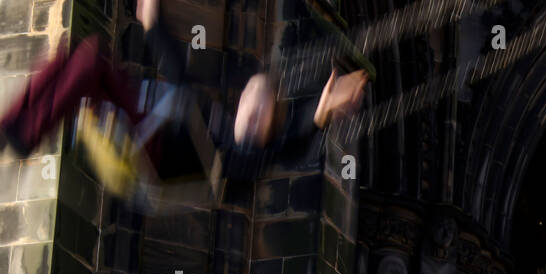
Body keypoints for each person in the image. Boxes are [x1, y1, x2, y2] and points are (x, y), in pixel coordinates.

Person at [0, 0, 367, 186]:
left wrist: (319, 116)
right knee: (83, 53)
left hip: (144, 145)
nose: (253, 112)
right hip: (130, 114)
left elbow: (290, 151)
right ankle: (13, 124)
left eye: (262, 114)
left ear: (269, 130)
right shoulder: (207, 114)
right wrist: (152, 21)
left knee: (89, 64)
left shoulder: (237, 158)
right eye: (252, 103)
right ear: (239, 103)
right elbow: (176, 70)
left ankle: (20, 133)